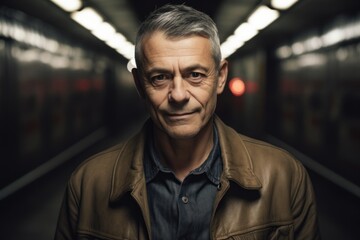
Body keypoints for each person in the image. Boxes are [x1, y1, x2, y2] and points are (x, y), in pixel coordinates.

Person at [55, 4, 320, 240]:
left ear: (220, 77)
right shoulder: (88, 185)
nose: (179, 95)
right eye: (160, 77)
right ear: (139, 84)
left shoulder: (284, 177)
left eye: (195, 74)